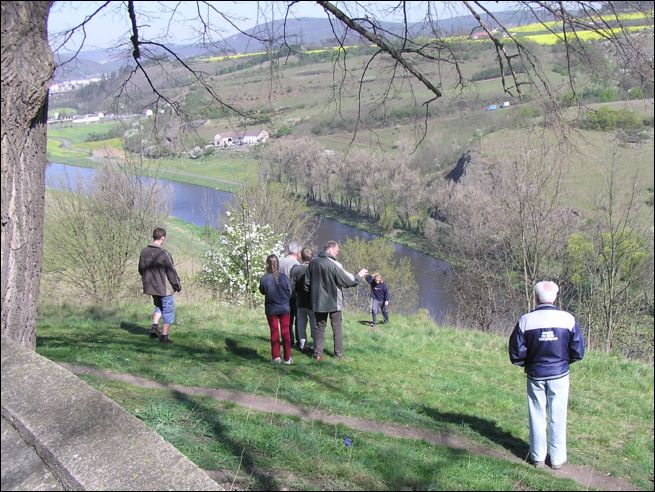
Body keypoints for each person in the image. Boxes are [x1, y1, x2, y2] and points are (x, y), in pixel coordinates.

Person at [509, 280, 585, 470]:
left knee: (537, 414)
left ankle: (538, 457)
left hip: (535, 374)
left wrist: (527, 364)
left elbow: (516, 354)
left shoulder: (525, 320)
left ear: (536, 298)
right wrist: (565, 363)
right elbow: (578, 351)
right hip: (560, 374)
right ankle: (557, 459)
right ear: (556, 297)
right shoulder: (568, 319)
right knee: (558, 416)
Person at [304, 240, 368, 361]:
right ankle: (338, 355)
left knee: (319, 327)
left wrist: (311, 297)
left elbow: (306, 283)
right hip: (334, 302)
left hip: (318, 302)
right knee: (337, 328)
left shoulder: (313, 263)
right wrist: (358, 277)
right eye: (337, 251)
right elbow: (347, 281)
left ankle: (317, 354)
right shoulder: (334, 265)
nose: (338, 253)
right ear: (330, 249)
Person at [138, 227, 182, 343]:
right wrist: (177, 285)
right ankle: (164, 336)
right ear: (162, 238)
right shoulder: (164, 253)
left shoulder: (144, 251)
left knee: (158, 306)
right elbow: (171, 272)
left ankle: (154, 327)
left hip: (151, 288)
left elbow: (141, 269)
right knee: (168, 311)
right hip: (164, 289)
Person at [259, 254, 293, 364]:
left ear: (267, 265)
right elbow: (290, 292)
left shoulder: (264, 279)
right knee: (286, 332)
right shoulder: (284, 277)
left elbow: (262, 291)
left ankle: (276, 357)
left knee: (274, 332)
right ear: (278, 264)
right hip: (284, 308)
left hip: (271, 309)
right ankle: (287, 358)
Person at [289, 247, 316, 353]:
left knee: (301, 324)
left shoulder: (295, 269)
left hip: (299, 300)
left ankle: (302, 345)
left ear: (301, 256)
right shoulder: (314, 269)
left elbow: (292, 286)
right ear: (311, 256)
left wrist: (296, 294)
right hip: (312, 301)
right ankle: (315, 346)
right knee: (314, 324)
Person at [279, 242, 301, 347]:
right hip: (293, 295)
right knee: (297, 319)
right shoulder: (296, 265)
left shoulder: (279, 261)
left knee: (286, 319)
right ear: (298, 253)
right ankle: (298, 341)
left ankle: (287, 340)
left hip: (280, 294)